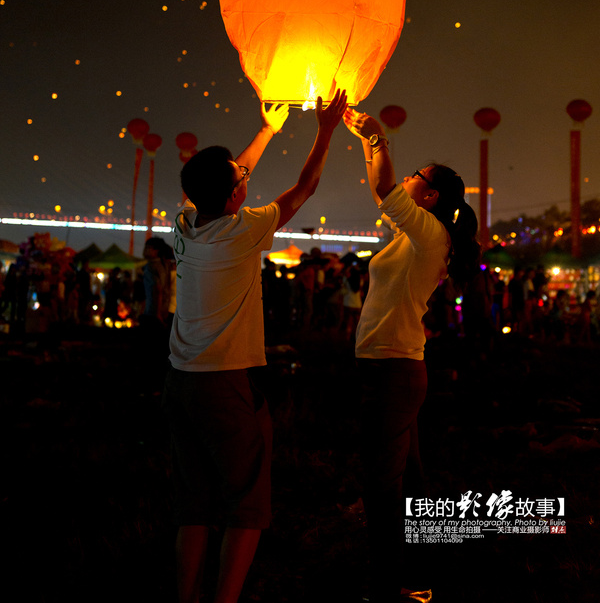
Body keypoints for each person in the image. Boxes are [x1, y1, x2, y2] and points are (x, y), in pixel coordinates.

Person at [163, 90, 347, 603]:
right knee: (246, 503)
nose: (247, 179)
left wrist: (267, 130)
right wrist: (325, 131)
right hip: (225, 384)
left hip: (180, 380)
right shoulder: (242, 232)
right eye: (241, 180)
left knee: (193, 506)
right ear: (234, 199)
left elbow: (222, 180)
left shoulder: (182, 224)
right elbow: (304, 187)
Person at [344, 107, 480, 603]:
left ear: (432, 195)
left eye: (416, 177)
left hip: (393, 372)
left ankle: (391, 587)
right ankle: (421, 578)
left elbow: (384, 189)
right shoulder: (417, 233)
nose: (406, 179)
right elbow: (382, 188)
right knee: (413, 484)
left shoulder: (429, 234)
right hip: (395, 367)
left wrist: (378, 135)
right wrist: (367, 140)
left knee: (383, 488)